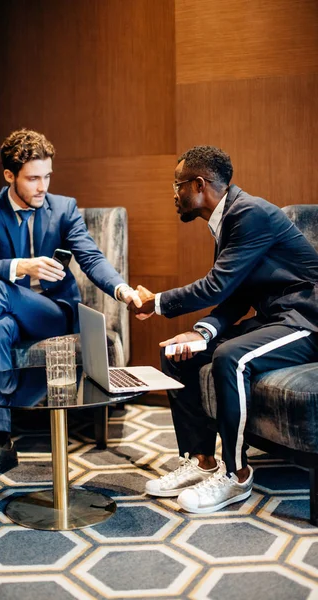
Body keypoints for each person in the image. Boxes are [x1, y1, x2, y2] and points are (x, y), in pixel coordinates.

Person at [0, 128, 142, 485]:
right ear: (10, 176)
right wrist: (22, 265)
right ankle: (1, 443)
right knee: (1, 325)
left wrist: (122, 289)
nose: (42, 187)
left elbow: (90, 256)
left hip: (53, 313)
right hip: (8, 314)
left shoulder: (63, 208)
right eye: (33, 178)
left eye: (47, 176)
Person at [130, 145, 318, 514]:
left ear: (199, 185)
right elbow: (236, 294)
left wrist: (156, 302)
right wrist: (200, 333)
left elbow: (216, 285)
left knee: (230, 358)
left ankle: (236, 475)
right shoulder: (228, 218)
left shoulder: (249, 214)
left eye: (177, 184)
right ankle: (200, 460)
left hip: (306, 319)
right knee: (178, 354)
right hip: (275, 318)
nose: (174, 194)